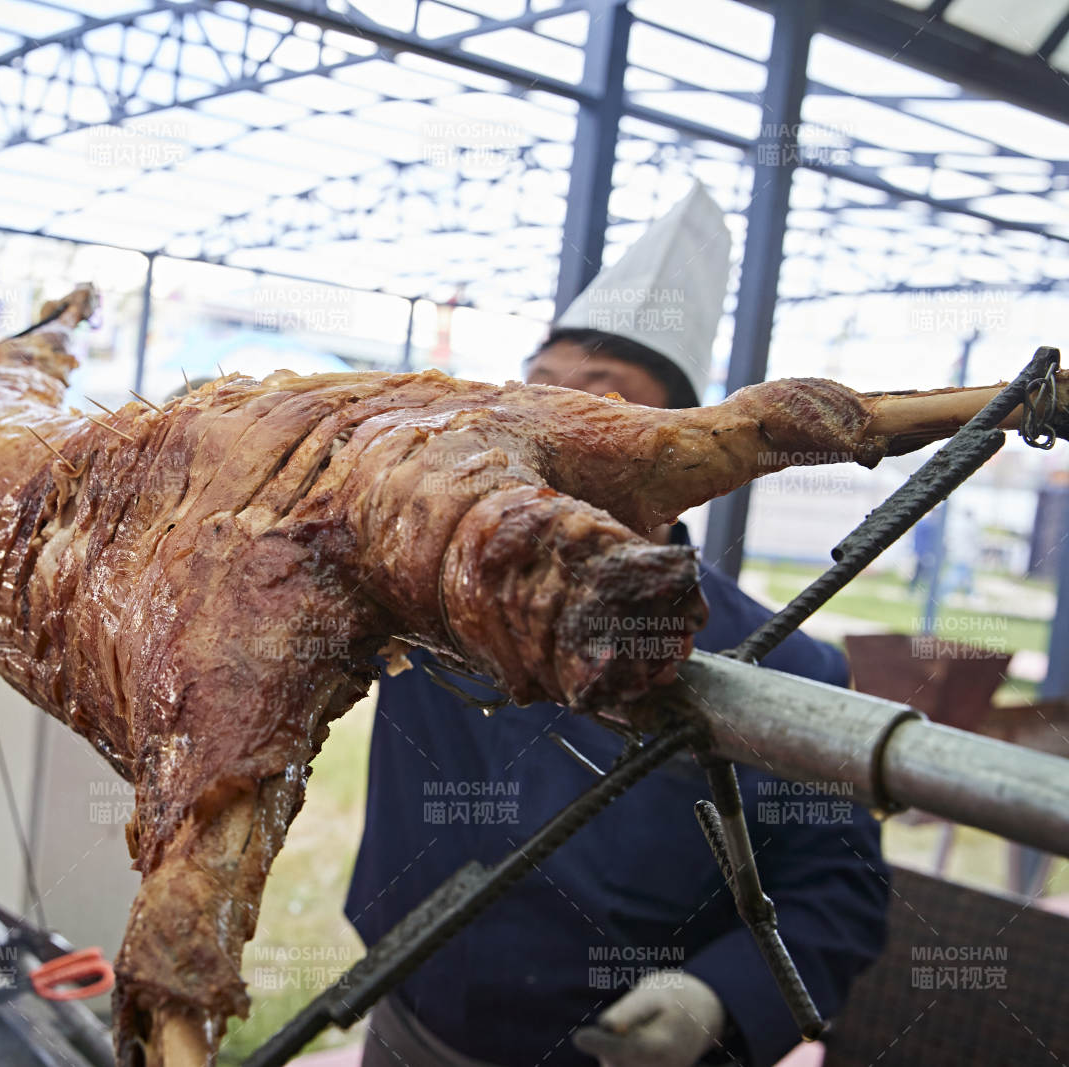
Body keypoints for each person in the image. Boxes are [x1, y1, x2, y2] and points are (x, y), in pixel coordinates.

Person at [345, 183, 889, 1067]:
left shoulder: (785, 663)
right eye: (537, 390)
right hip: (410, 1028)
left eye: (598, 400)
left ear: (673, 449)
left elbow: (839, 891)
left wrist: (720, 993)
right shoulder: (424, 591)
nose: (542, 423)